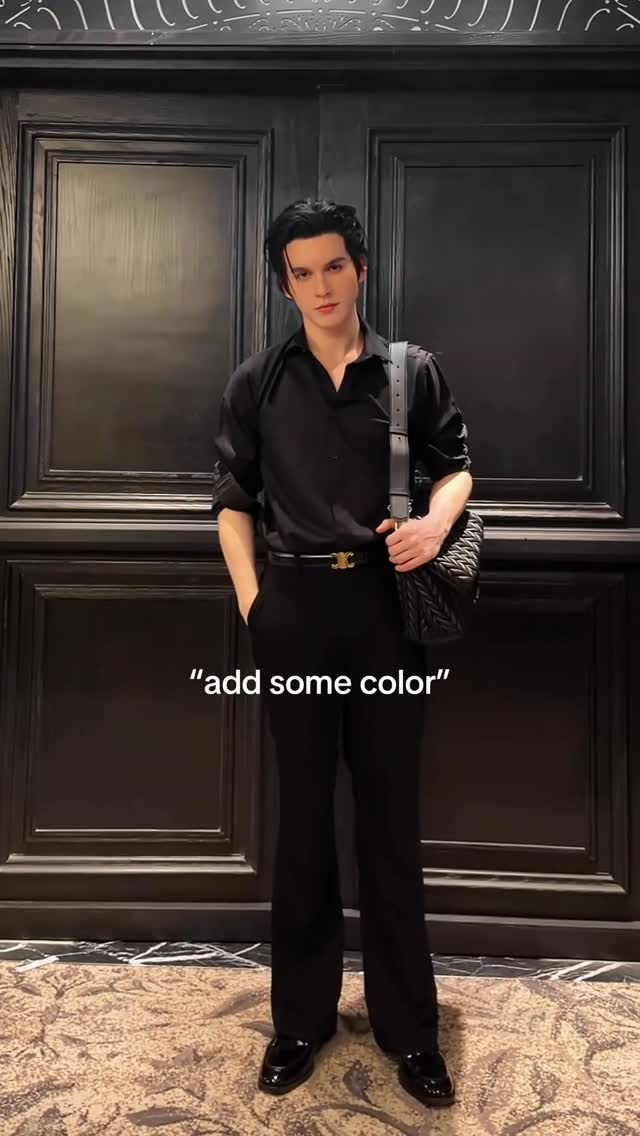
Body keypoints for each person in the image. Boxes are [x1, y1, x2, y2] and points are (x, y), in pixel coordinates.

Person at [211, 199, 472, 1110]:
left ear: (360, 267)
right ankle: (300, 1021)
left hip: (385, 613)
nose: (320, 286)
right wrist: (255, 603)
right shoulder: (258, 381)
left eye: (333, 266)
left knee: (390, 820)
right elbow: (232, 498)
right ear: (284, 284)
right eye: (301, 272)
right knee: (302, 823)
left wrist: (434, 523)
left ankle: (411, 1030)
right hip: (292, 612)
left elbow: (457, 466)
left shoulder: (410, 372)